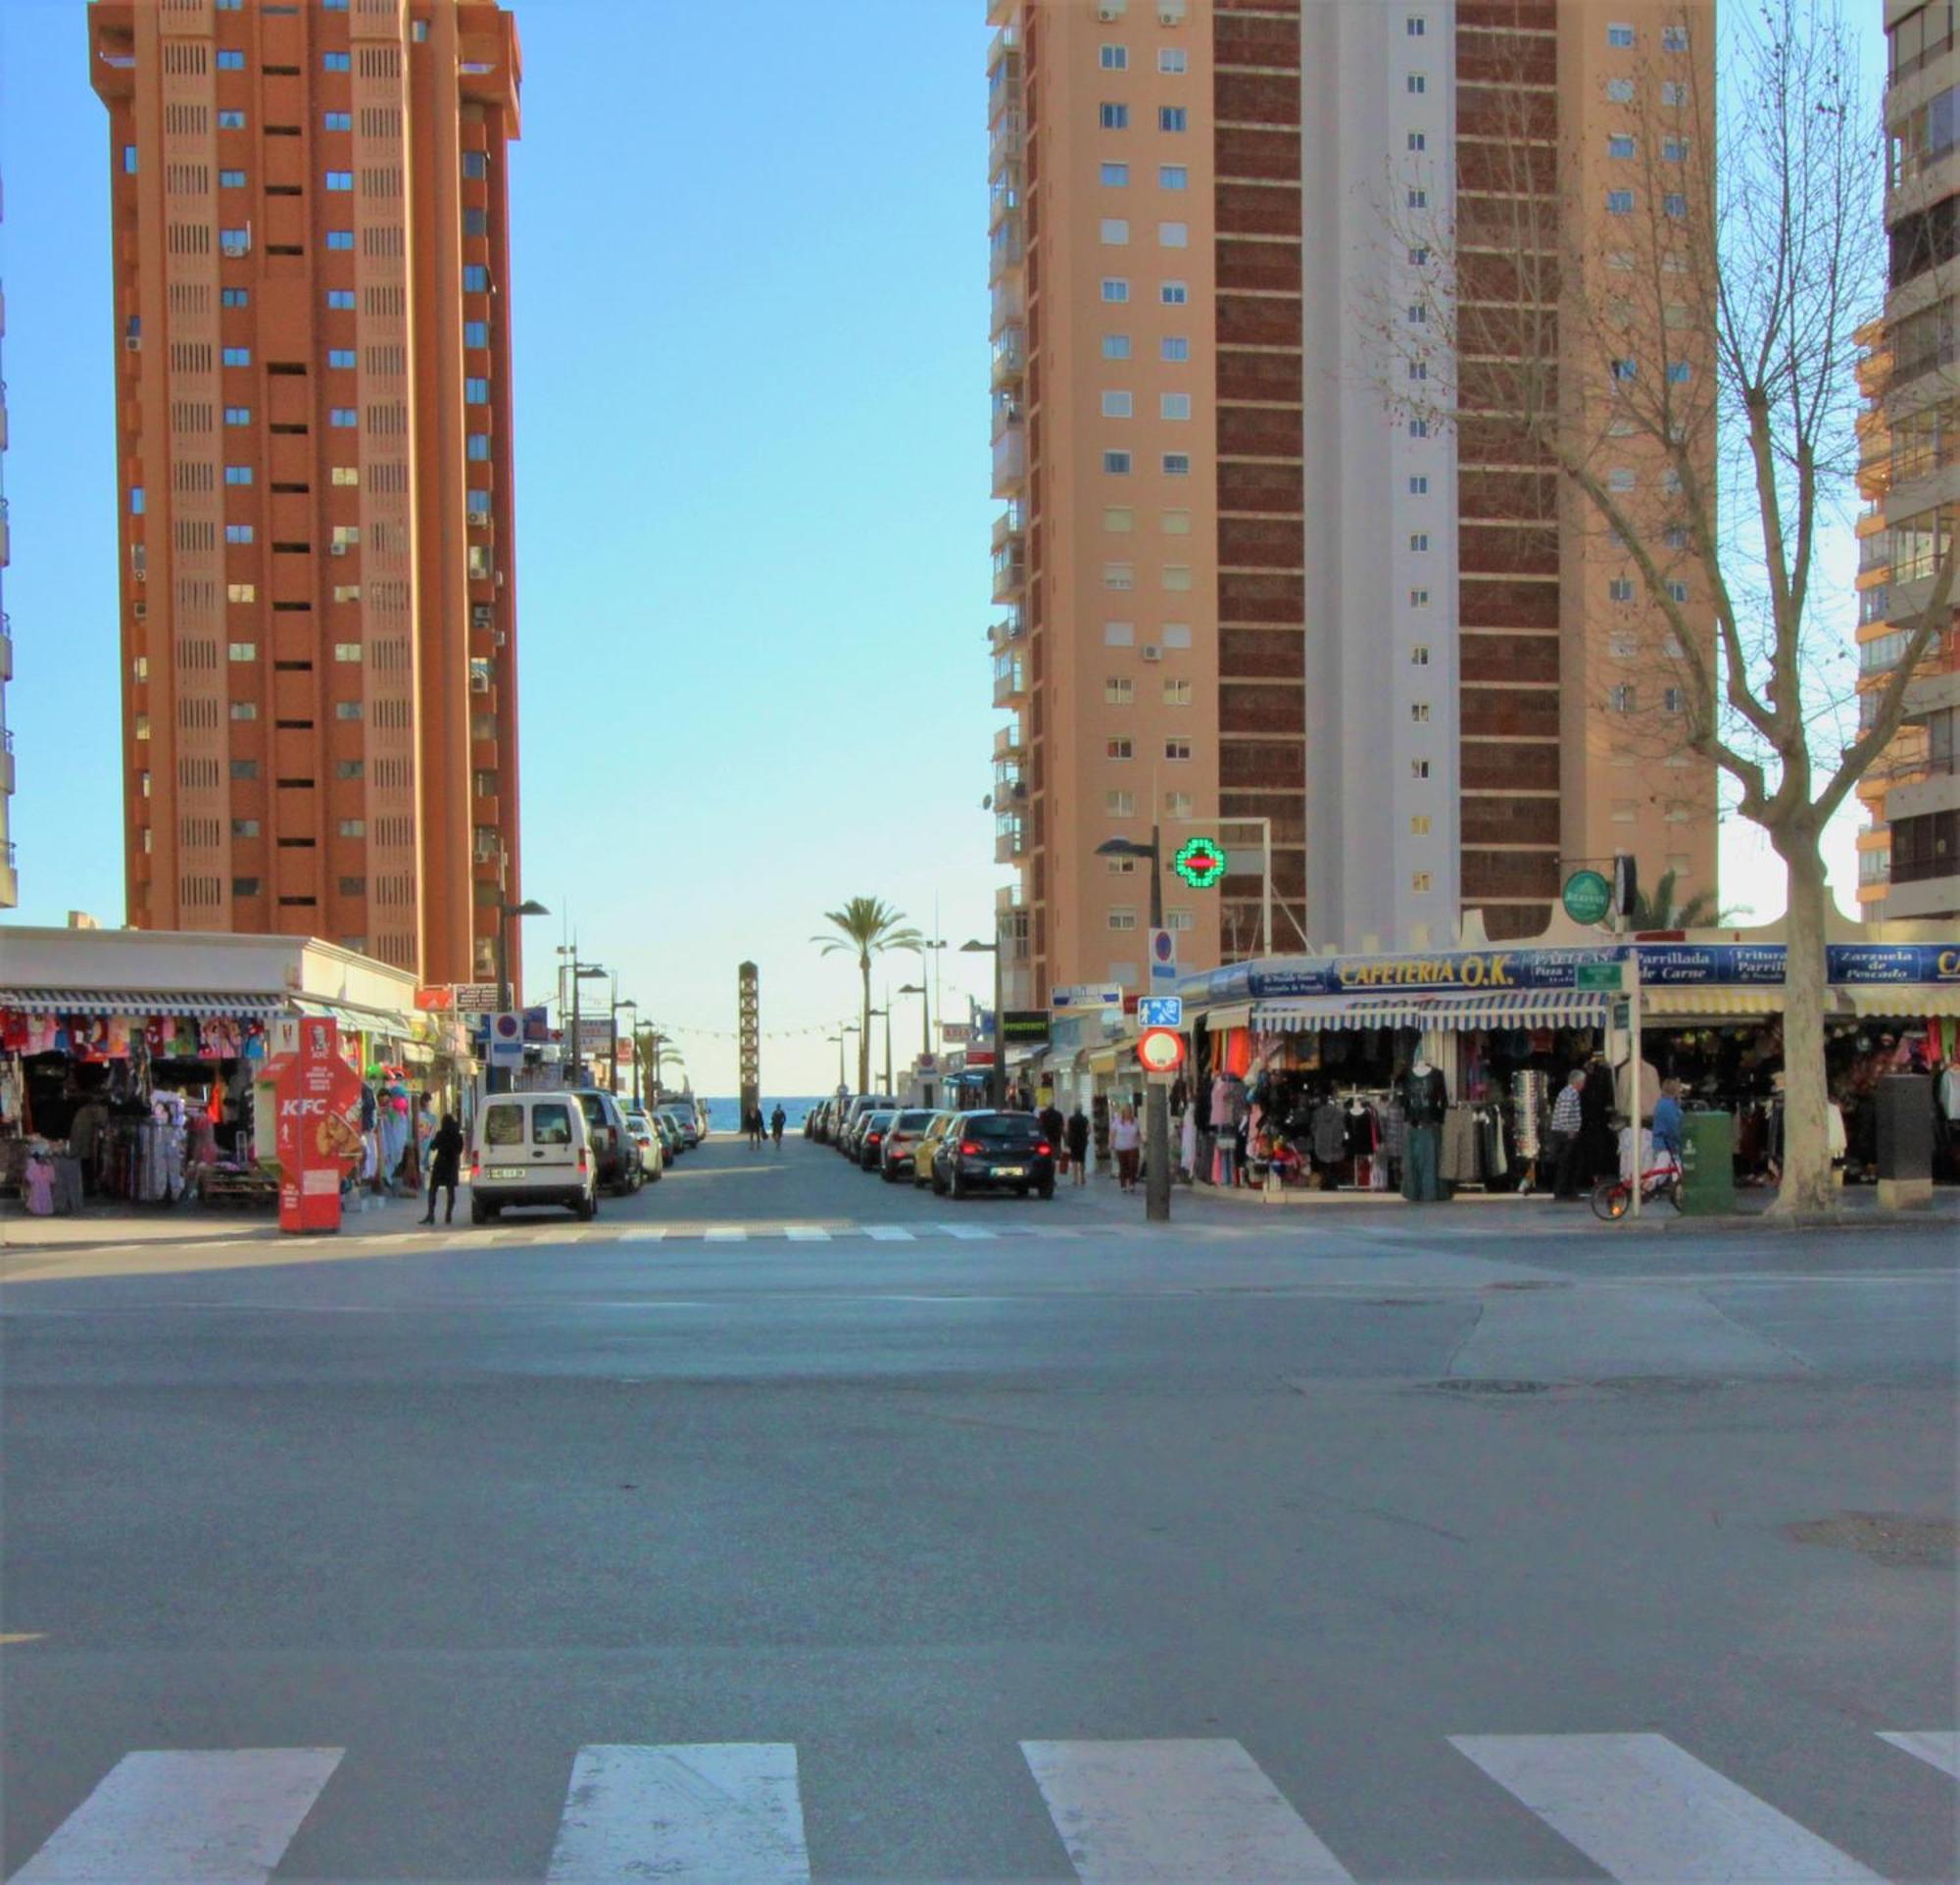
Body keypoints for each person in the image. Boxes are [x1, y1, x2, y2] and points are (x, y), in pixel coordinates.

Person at [1549, 1067, 1587, 1200]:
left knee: (1569, 1163)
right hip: (1565, 1134)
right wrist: (1569, 1131)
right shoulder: (1570, 1094)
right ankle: (1563, 1191)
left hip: (1566, 1132)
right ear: (1578, 1082)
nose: (1584, 1084)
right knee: (1567, 1163)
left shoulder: (1570, 1093)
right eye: (1583, 1081)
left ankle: (1566, 1190)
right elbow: (1563, 1114)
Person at [421, 1114, 464, 1225]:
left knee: (433, 1190)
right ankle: (448, 1215)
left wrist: (431, 1140)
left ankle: (431, 1214)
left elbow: (433, 1146)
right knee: (451, 1191)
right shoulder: (457, 1135)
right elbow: (460, 1149)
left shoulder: (441, 1134)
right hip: (451, 1165)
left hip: (440, 1165)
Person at [1651, 1078, 1686, 1168]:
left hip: (1663, 1145)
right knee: (1658, 1175)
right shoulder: (1669, 1106)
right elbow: (1674, 1127)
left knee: (1670, 1174)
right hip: (1666, 1147)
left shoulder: (1661, 1104)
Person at [1111, 1104, 1143, 1191]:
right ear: (1123, 1112)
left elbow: (1138, 1132)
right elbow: (1113, 1133)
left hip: (1133, 1147)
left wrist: (1141, 1140)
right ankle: (1123, 1185)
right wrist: (1111, 1144)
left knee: (1133, 1165)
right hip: (1121, 1147)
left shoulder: (1135, 1121)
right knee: (1123, 1166)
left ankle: (1132, 1184)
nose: (1128, 1112)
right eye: (1126, 1111)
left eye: (1129, 1110)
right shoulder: (1117, 1121)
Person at [1066, 1105, 1091, 1186]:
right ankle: (1083, 1178)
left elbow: (1068, 1130)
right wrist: (1085, 1135)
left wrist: (1068, 1140)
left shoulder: (1071, 1119)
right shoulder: (1085, 1119)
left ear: (1074, 1110)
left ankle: (1075, 1179)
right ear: (1081, 1110)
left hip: (1073, 1141)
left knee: (1074, 1160)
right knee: (1082, 1160)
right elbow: (1089, 1129)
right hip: (1082, 1141)